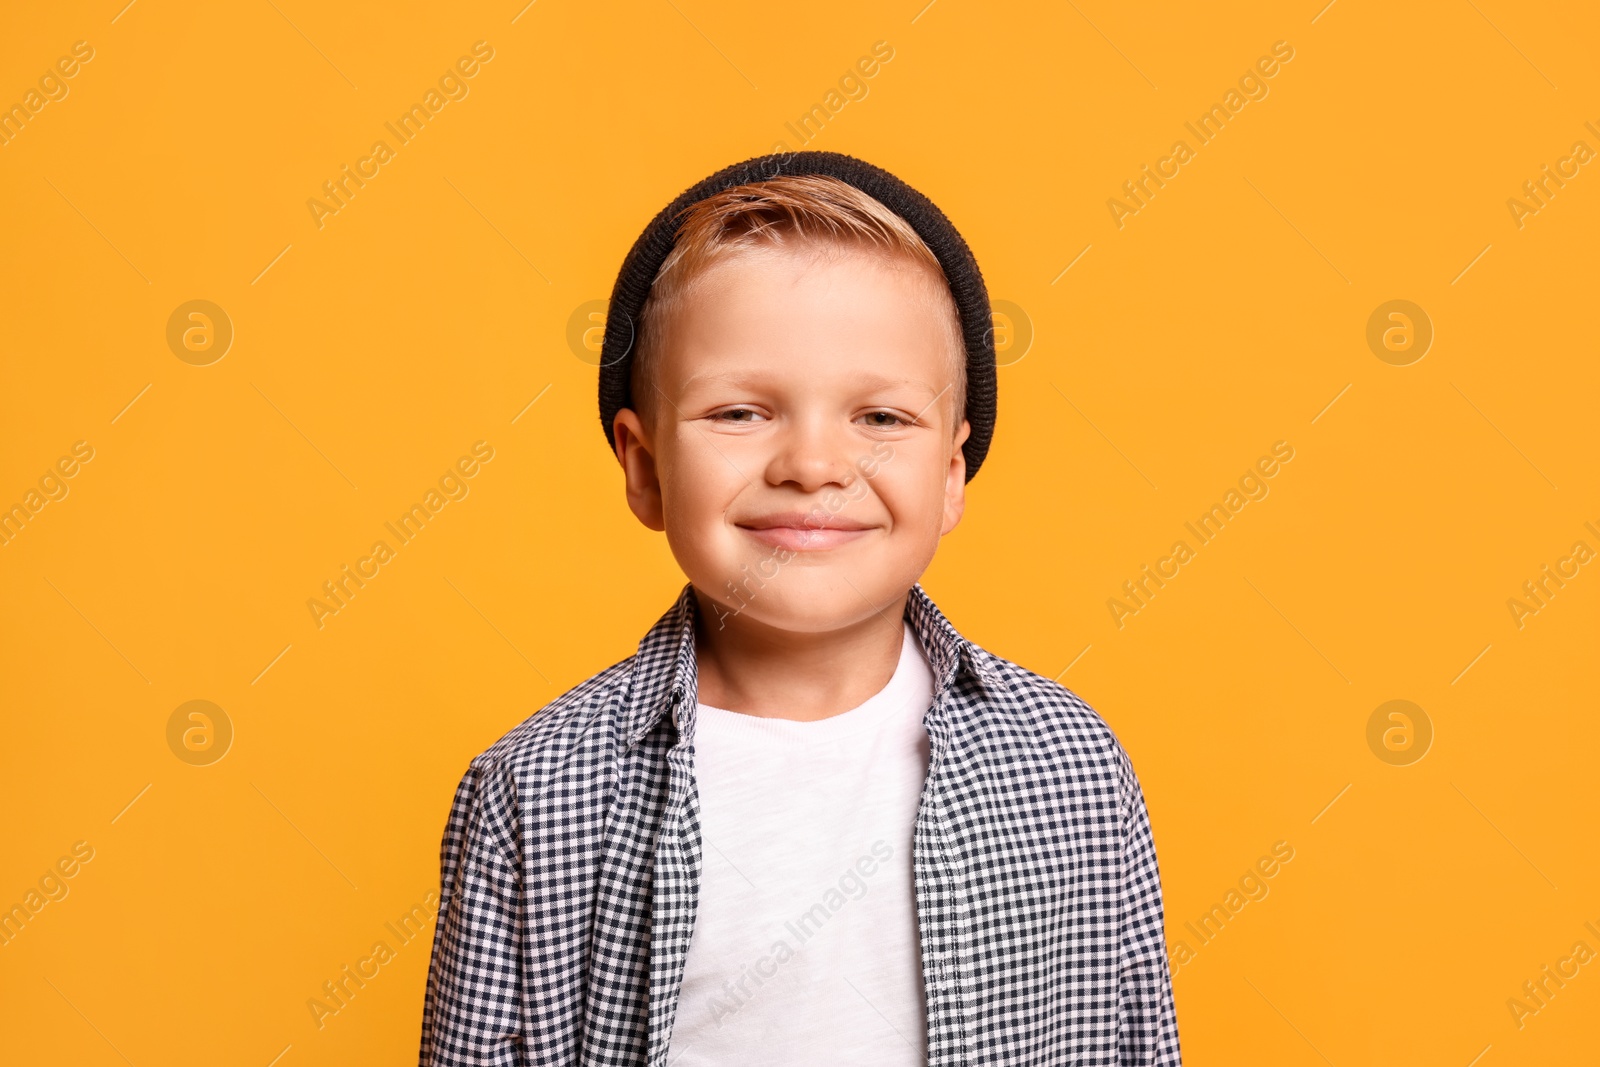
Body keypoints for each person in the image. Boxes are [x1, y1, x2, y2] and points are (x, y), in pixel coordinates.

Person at [418, 150, 1182, 1066]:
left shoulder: (1071, 768)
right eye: (741, 413)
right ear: (646, 466)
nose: (813, 464)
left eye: (882, 418)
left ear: (950, 476)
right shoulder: (534, 793)